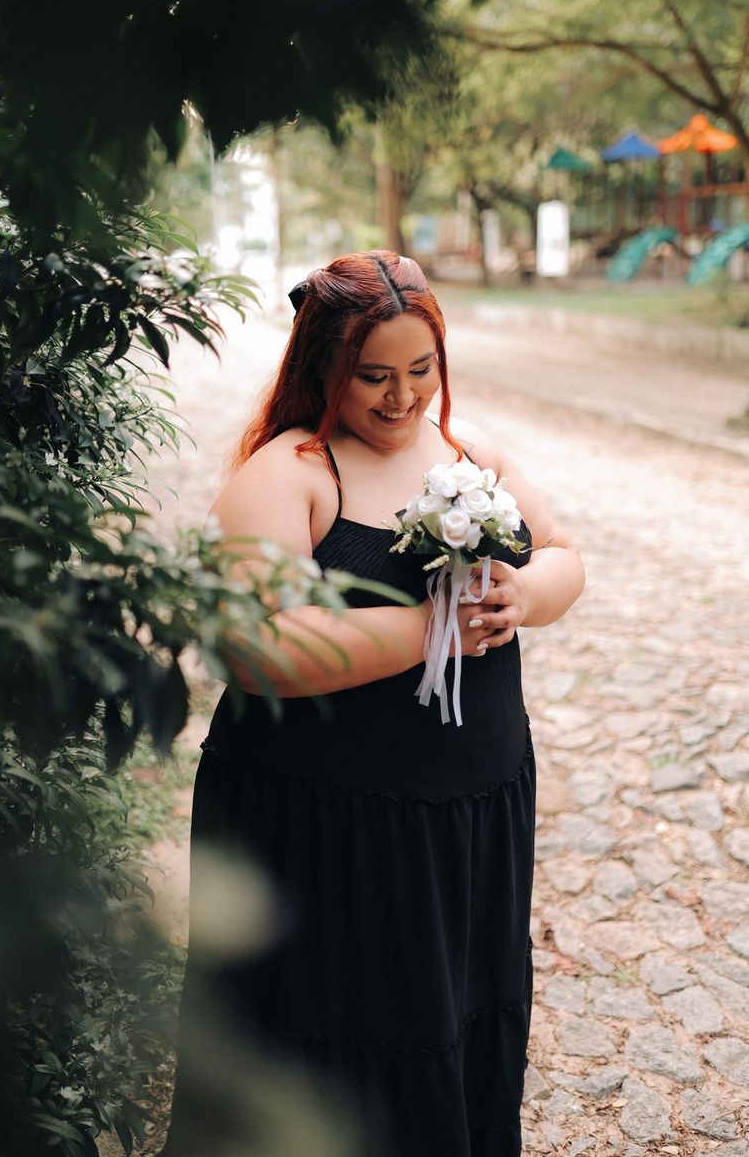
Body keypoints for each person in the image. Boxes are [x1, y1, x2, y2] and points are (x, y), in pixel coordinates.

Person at [162, 251, 585, 1157]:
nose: (404, 398)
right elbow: (257, 650)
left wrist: (526, 594)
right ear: (324, 367)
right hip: (330, 822)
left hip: (470, 812)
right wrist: (433, 628)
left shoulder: (470, 452)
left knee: (453, 1017)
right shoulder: (291, 474)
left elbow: (561, 554)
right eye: (374, 376)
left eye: (421, 370)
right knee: (339, 1030)